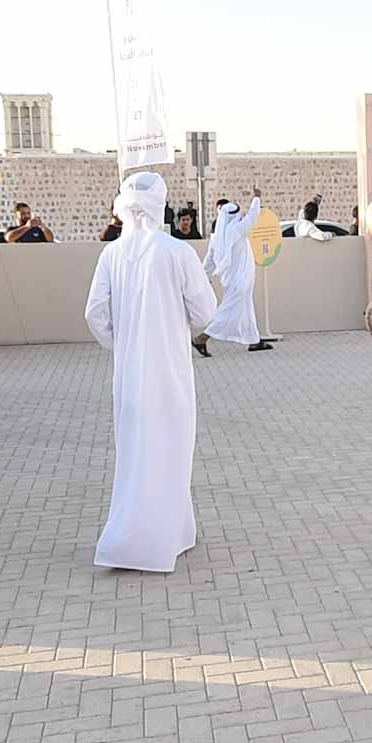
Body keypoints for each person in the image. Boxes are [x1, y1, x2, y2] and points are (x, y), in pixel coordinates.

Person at [84, 172, 218, 571]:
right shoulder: (176, 252)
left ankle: (170, 531)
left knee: (135, 451)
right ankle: (155, 538)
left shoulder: (110, 254)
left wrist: (124, 345)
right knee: (171, 447)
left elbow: (94, 314)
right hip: (170, 371)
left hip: (128, 374)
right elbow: (205, 312)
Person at [198, 191, 266, 354]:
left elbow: (209, 262)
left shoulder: (217, 238)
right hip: (241, 281)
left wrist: (201, 277)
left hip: (231, 280)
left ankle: (253, 340)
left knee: (246, 309)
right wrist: (256, 198)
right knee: (227, 311)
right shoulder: (236, 229)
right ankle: (201, 339)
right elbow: (252, 217)